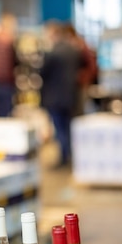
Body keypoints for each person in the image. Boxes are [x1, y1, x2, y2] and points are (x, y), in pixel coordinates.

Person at [40, 21, 83, 168]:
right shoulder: (73, 51)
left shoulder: (52, 53)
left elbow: (42, 73)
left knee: (60, 129)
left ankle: (64, 158)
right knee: (68, 127)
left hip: (55, 97)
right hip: (71, 95)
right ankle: (71, 156)